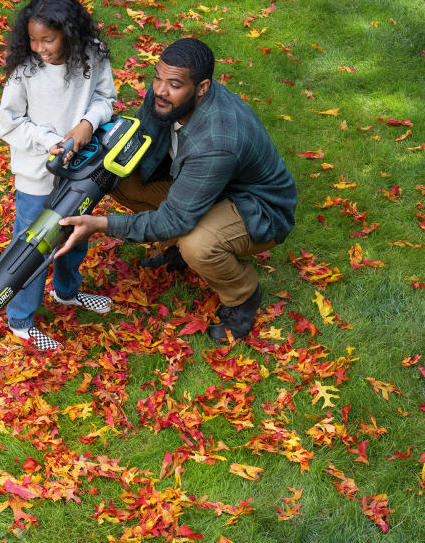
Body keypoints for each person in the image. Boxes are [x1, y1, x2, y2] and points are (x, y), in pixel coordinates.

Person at [55, 37, 297, 343]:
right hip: (201, 184)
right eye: (157, 77)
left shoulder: (216, 141)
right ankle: (178, 247)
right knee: (117, 175)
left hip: (255, 206)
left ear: (202, 88)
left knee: (198, 244)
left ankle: (243, 296)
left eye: (173, 84)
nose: (159, 90)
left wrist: (100, 225)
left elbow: (175, 219)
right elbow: (135, 139)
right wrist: (90, 136)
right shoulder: (166, 97)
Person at [0, 0, 118, 352]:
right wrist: (48, 140)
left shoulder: (91, 54)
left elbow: (104, 97)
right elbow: (10, 123)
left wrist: (87, 122)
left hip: (81, 172)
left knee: (74, 236)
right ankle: (20, 319)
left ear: (69, 32)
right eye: (33, 40)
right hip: (38, 175)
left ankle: (67, 292)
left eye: (47, 39)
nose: (40, 48)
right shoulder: (26, 70)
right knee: (33, 249)